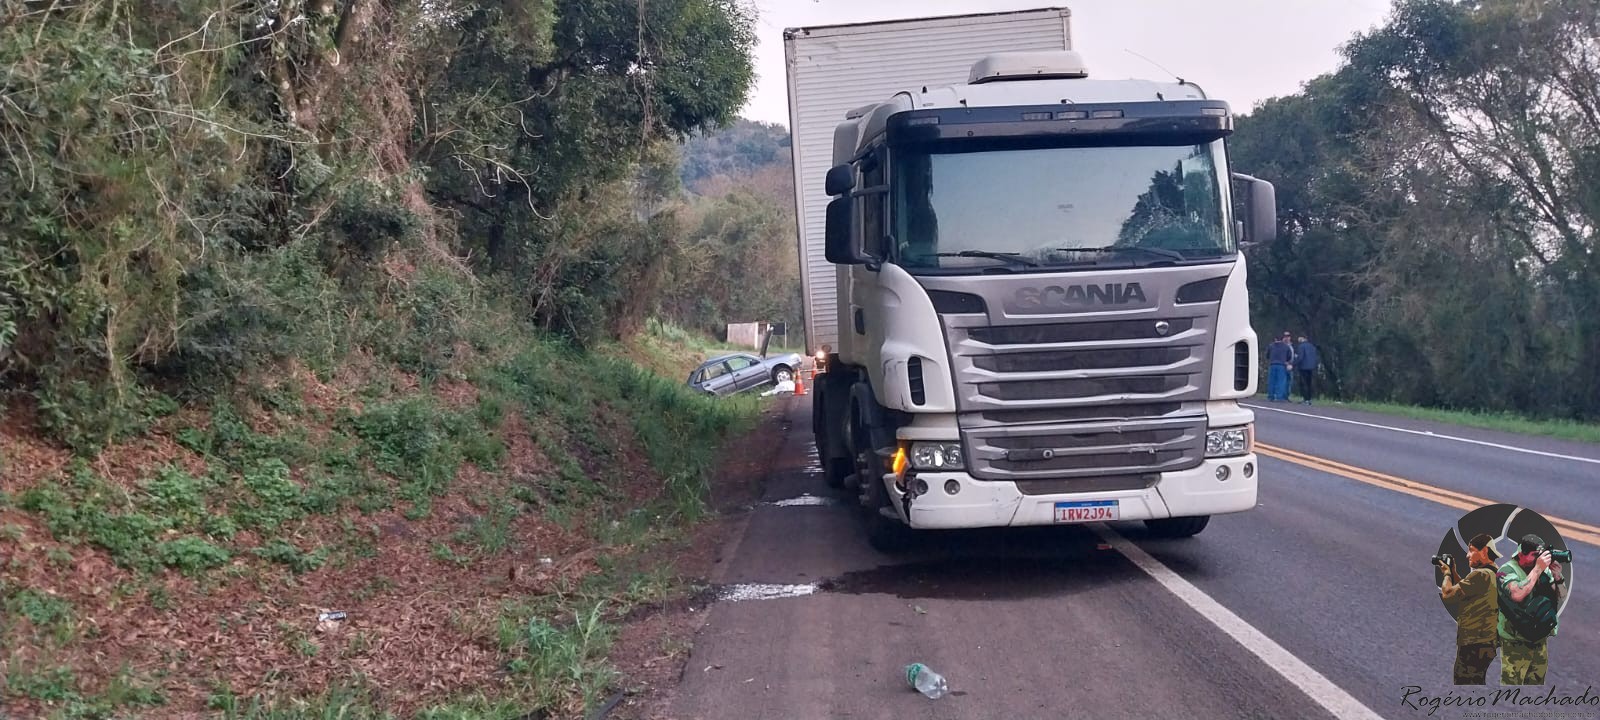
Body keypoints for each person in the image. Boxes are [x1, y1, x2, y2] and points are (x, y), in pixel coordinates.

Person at [1496, 534, 1567, 685]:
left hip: (1539, 639)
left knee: (1536, 686)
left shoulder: (1543, 570)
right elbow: (1517, 595)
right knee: (1512, 686)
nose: (1539, 559)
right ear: (1521, 554)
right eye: (1535, 555)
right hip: (1516, 642)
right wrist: (1537, 570)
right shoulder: (1506, 571)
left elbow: (1561, 595)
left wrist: (1557, 576)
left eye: (1540, 555)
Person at [1440, 534, 1501, 684]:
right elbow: (1465, 591)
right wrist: (1454, 572)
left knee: (1465, 683)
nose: (1467, 555)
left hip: (1474, 643)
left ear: (1485, 551)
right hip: (1487, 641)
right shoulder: (1494, 573)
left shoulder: (1481, 575)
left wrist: (1447, 574)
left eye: (1472, 550)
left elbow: (1448, 594)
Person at [1266, 332, 1294, 401]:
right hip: (1281, 365)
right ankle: (1279, 397)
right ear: (1282, 339)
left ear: (1275, 339)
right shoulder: (1286, 346)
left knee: (1271, 381)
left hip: (1272, 364)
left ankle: (1270, 396)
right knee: (1281, 381)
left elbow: (1267, 355)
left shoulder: (1271, 346)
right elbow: (1289, 356)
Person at [1294, 335, 1321, 405]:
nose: (1298, 339)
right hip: (1311, 367)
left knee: (1303, 383)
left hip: (1303, 367)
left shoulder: (1301, 346)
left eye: (1299, 338)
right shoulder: (1312, 346)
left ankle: (1305, 399)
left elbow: (1300, 357)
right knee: (1308, 383)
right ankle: (1309, 399)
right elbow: (1315, 356)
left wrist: (1293, 364)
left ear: (1303, 338)